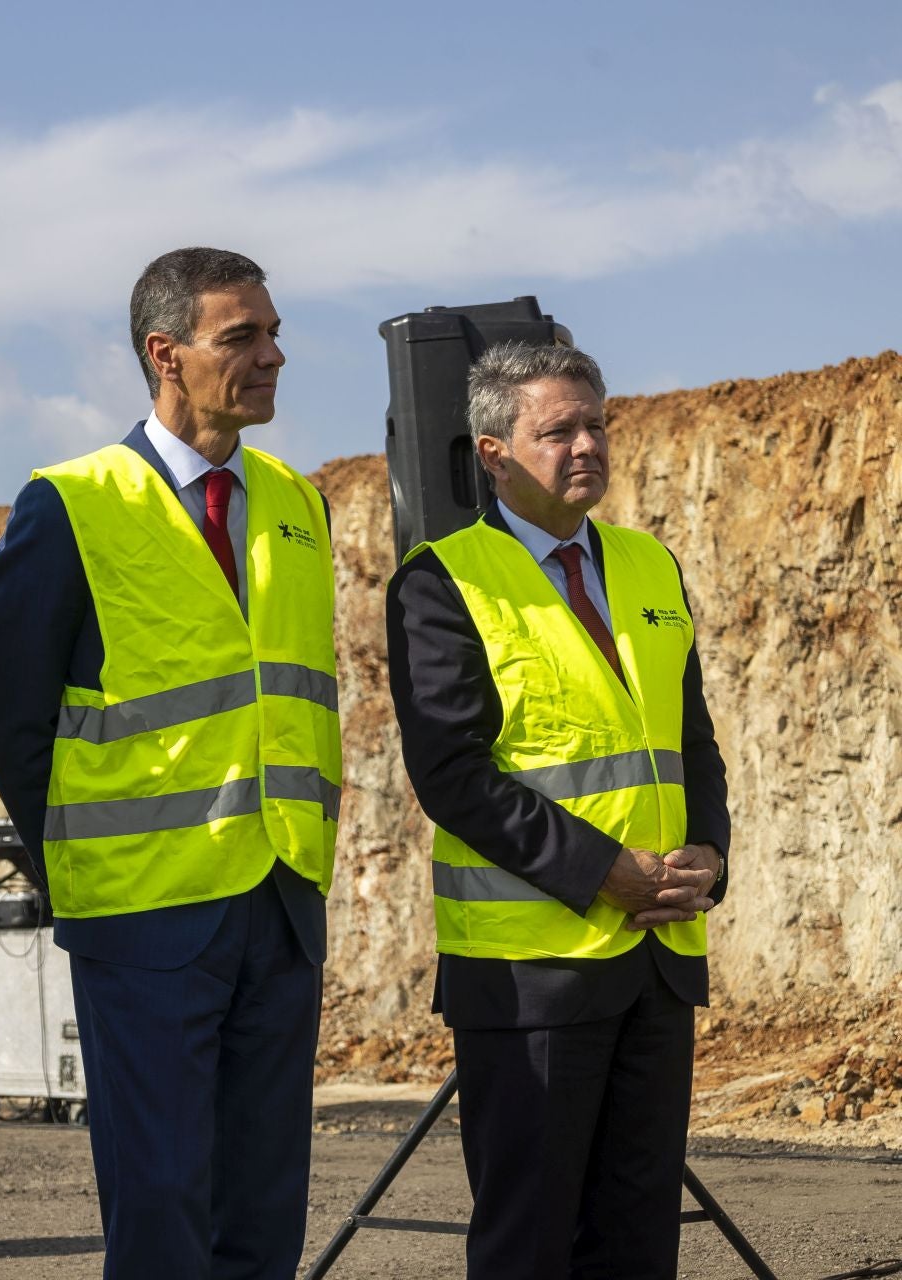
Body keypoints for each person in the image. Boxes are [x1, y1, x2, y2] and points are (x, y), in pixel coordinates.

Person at [0, 247, 337, 1280]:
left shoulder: (294, 502)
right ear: (165, 354)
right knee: (163, 1203)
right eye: (243, 337)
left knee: (266, 1205)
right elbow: (14, 729)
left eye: (273, 333)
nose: (272, 355)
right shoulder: (71, 502)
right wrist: (90, 872)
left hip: (278, 903)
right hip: (142, 918)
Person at [385, 341, 729, 1279]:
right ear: (493, 452)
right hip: (530, 975)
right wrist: (598, 871)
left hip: (658, 961)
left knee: (637, 1238)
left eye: (597, 424)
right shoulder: (441, 582)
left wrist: (709, 855)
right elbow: (452, 774)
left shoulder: (650, 566)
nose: (588, 446)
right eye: (558, 430)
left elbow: (691, 744)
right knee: (531, 1240)